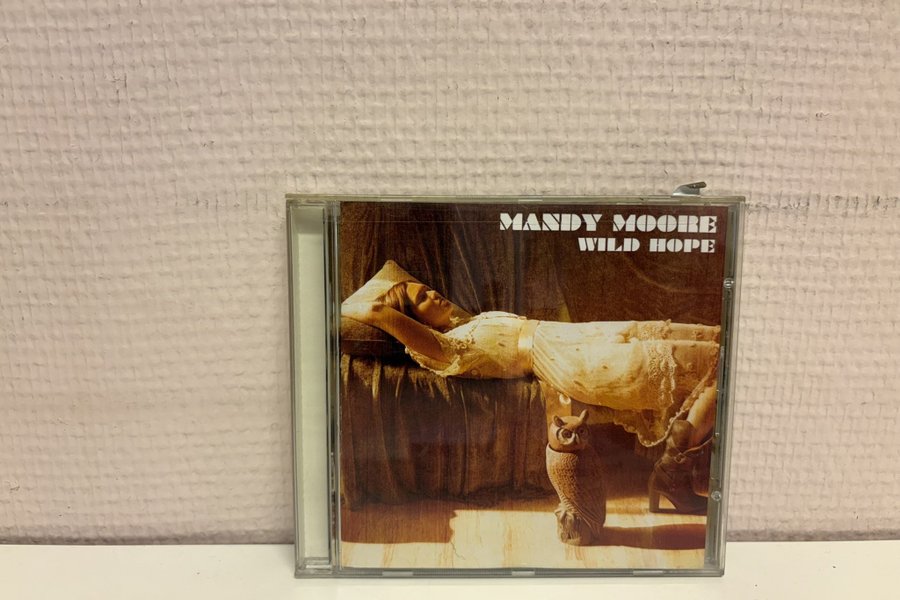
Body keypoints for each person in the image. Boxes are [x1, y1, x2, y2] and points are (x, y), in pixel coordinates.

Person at [344, 280, 718, 514]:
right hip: (574, 363)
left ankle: (671, 473)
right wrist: (333, 305)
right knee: (718, 365)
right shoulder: (442, 350)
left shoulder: (468, 322)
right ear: (413, 321)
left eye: (427, 288)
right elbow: (375, 309)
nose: (433, 293)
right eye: (422, 297)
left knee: (715, 340)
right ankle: (672, 475)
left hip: (585, 335)